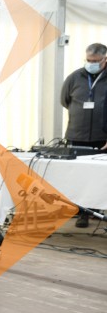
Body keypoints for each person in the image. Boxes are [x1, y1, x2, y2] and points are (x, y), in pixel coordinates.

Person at [60, 43, 107, 227]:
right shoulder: (74, 77)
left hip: (102, 138)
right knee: (78, 176)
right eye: (88, 60)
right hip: (76, 135)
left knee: (99, 177)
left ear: (105, 59)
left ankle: (99, 210)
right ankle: (82, 213)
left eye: (95, 61)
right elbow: (65, 100)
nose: (91, 64)